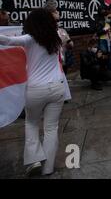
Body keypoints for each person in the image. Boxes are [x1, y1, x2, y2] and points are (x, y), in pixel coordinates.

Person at [0, 9, 65, 177]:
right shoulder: (56, 39)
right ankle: (48, 168)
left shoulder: (30, 39)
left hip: (36, 89)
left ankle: (34, 160)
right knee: (51, 128)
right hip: (58, 87)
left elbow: (7, 40)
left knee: (31, 123)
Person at [44, 0, 75, 74]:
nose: (58, 12)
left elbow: (71, 45)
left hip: (62, 63)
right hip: (51, 66)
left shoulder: (62, 31)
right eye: (55, 11)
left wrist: (69, 43)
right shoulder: (45, 31)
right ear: (50, 15)